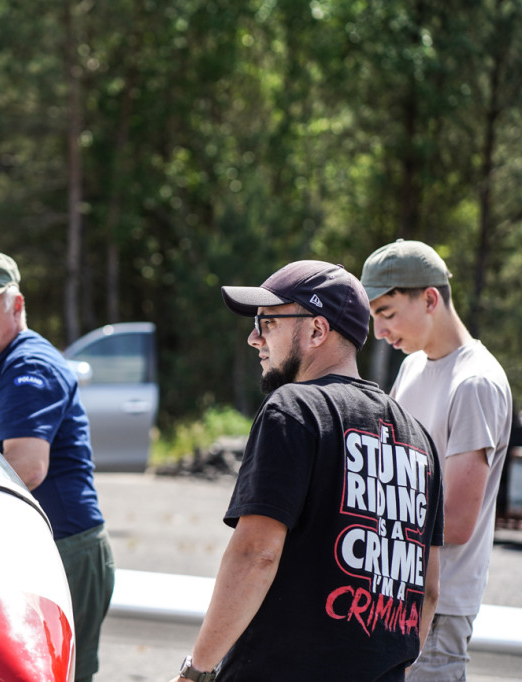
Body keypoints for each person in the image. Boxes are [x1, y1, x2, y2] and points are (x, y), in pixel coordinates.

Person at [170, 260, 444, 682]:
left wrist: (198, 671)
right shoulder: (420, 442)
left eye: (268, 322)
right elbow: (426, 592)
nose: (253, 338)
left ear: (317, 330)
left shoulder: (295, 408)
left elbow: (256, 554)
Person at [0, 250, 115, 682]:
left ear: (16, 306)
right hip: (35, 546)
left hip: (64, 548)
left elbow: (26, 468)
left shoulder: (26, 365)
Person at [361, 239, 512, 680]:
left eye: (387, 314)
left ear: (430, 298)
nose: (381, 333)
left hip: (437, 610)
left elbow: (457, 522)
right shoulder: (413, 367)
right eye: (374, 319)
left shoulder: (476, 382)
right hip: (389, 596)